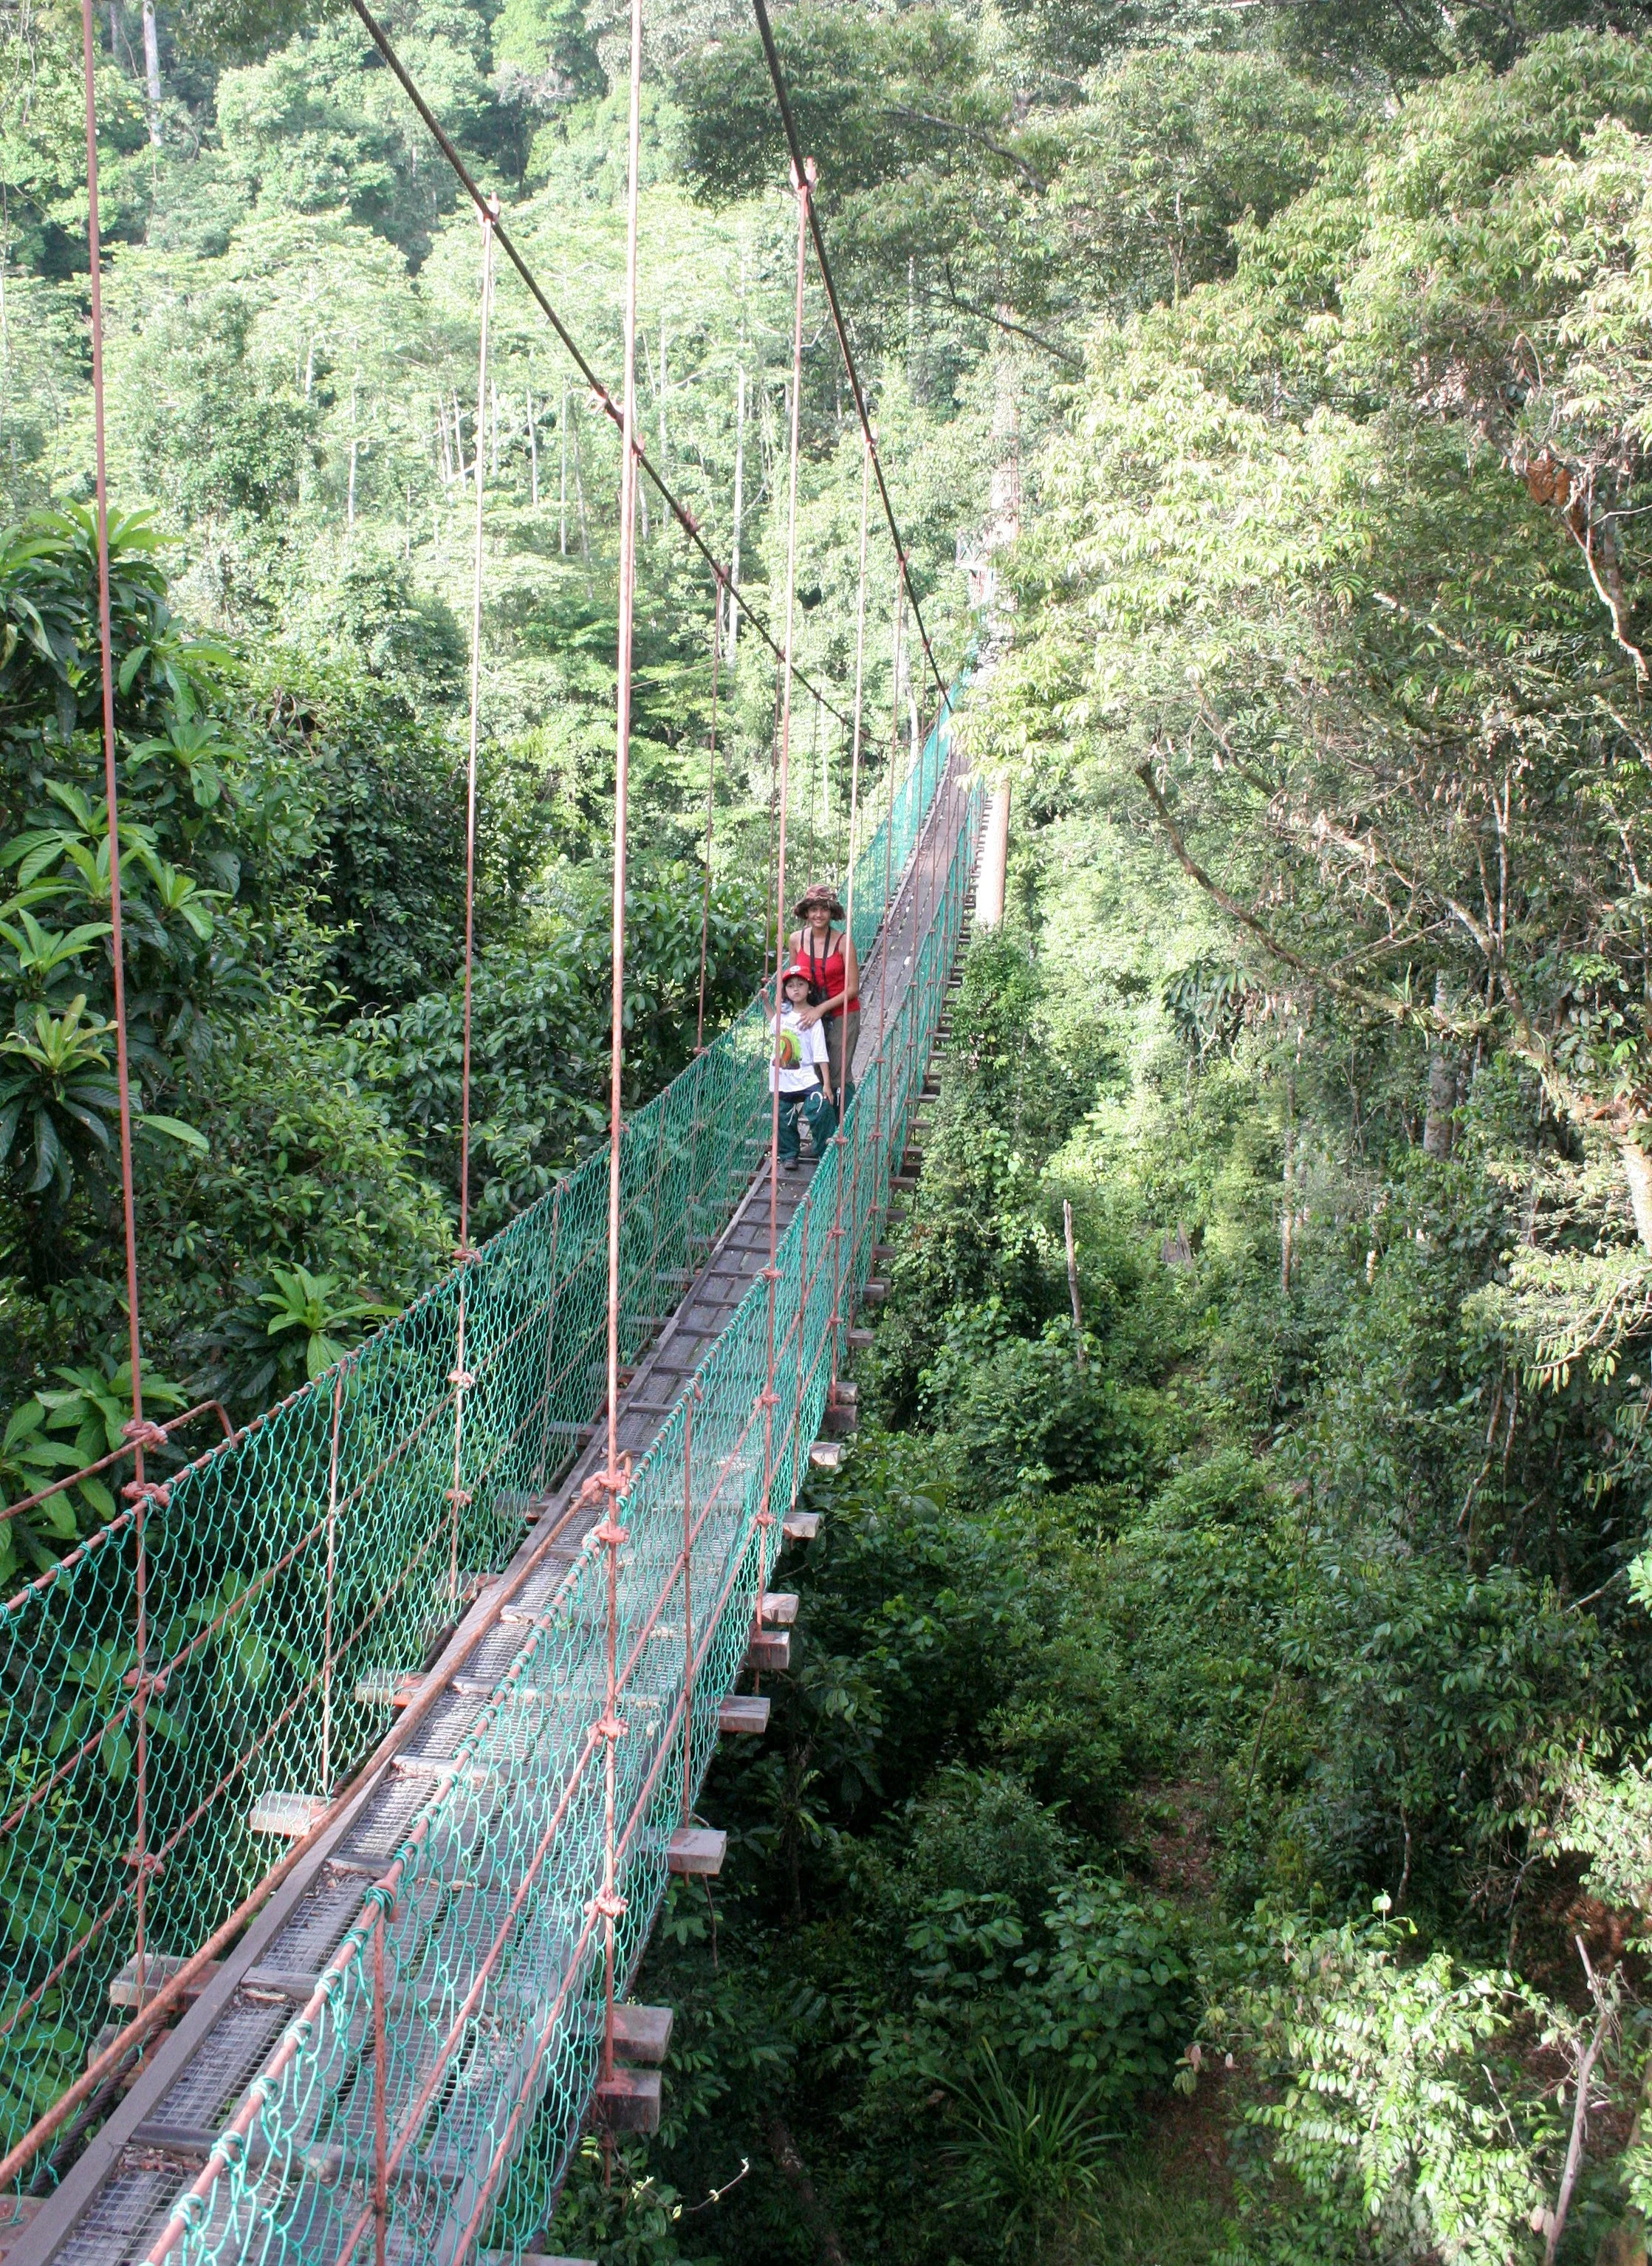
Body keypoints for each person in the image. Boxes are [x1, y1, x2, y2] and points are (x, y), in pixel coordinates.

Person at [787, 882, 860, 1109]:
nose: (819, 915)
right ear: (807, 912)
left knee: (838, 1074)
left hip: (842, 1014)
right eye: (814, 909)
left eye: (824, 909)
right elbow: (792, 979)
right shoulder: (796, 939)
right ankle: (824, 1136)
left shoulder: (843, 942)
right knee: (811, 1073)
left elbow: (853, 988)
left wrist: (820, 1009)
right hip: (808, 1015)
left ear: (831, 912)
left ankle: (844, 1130)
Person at [771, 959, 837, 1170]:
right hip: (782, 1078)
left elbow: (821, 1054)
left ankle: (824, 1150)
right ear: (786, 991)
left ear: (809, 988)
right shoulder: (783, 1013)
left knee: (820, 1105)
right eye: (790, 986)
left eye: (800, 985)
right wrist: (766, 1001)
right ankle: (789, 1155)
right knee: (783, 1116)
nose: (795, 989)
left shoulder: (813, 1018)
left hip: (806, 1076)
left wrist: (826, 1084)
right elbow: (774, 1027)